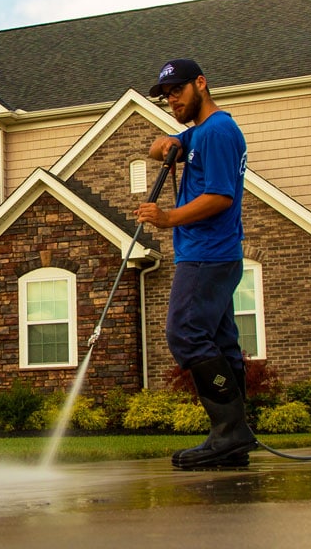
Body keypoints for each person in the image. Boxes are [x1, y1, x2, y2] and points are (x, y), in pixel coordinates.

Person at [134, 58, 254, 469]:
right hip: (213, 253)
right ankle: (234, 439)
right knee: (221, 343)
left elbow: (220, 196)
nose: (171, 100)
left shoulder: (218, 131)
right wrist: (166, 145)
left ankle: (229, 431)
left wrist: (166, 218)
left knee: (184, 331)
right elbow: (157, 146)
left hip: (207, 253)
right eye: (166, 95)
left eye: (178, 91)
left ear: (201, 84)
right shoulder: (200, 133)